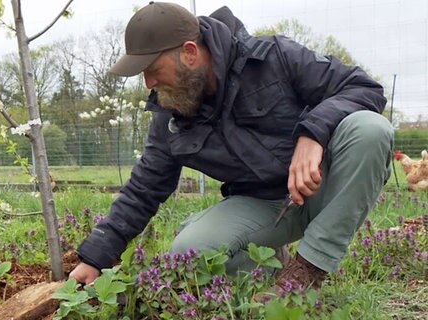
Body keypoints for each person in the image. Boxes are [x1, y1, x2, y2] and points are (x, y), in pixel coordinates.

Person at [69, 1, 393, 297]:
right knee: (190, 253)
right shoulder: (170, 112)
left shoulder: (273, 56)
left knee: (370, 129)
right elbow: (144, 188)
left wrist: (313, 134)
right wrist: (95, 257)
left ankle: (307, 270)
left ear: (190, 52)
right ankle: (266, 264)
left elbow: (364, 88)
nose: (149, 83)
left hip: (323, 185)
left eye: (153, 70)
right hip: (262, 205)